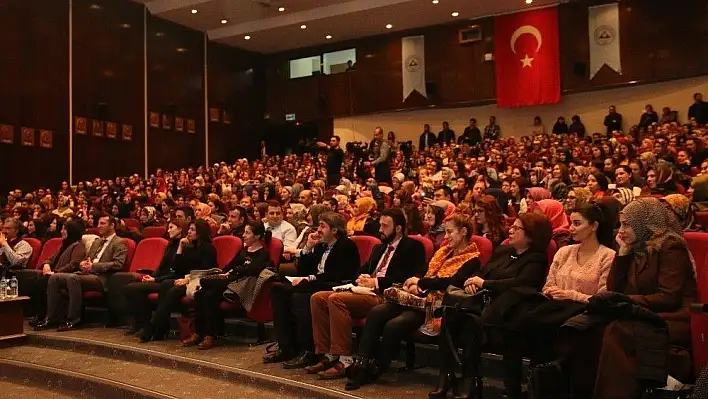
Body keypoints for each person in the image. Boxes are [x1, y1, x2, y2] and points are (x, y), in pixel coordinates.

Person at [544, 198, 697, 399]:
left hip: (672, 316)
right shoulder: (635, 246)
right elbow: (614, 287)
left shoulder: (670, 246)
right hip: (639, 310)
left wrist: (626, 302)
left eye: (626, 225)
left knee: (616, 330)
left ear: (645, 224)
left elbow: (669, 297)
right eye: (619, 225)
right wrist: (623, 254)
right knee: (584, 327)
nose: (620, 231)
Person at [490, 202, 616, 398]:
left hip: (583, 312)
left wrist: (570, 294)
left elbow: (602, 296)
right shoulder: (564, 251)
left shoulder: (607, 256)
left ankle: (546, 387)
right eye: (571, 223)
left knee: (542, 327)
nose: (571, 228)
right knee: (516, 324)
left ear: (594, 226)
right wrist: (554, 292)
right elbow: (548, 284)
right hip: (553, 307)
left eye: (577, 223)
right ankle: (518, 388)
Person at [346, 214, 482, 391]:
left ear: (463, 232)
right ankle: (362, 363)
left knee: (396, 324)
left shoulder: (472, 259)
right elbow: (424, 271)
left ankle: (377, 367)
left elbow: (453, 281)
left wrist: (421, 283)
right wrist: (415, 281)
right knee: (377, 312)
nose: (445, 236)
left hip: (434, 306)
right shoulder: (442, 251)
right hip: (417, 297)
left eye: (449, 232)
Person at [430, 213, 553, 399]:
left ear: (531, 234)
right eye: (512, 226)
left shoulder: (536, 259)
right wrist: (473, 282)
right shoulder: (504, 250)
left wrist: (485, 284)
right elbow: (482, 271)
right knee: (451, 314)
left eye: (516, 228)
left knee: (471, 323)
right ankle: (445, 375)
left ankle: (470, 381)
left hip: (507, 312)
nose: (510, 230)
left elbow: (521, 284)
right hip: (482, 303)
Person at [307, 209, 426, 380]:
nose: (380, 229)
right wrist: (362, 277)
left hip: (387, 295)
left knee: (336, 299)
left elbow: (408, 276)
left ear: (398, 228)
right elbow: (364, 269)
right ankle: (328, 354)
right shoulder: (379, 247)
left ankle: (345, 359)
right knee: (317, 298)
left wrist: (376, 282)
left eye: (385, 226)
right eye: (380, 225)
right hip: (365, 291)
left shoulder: (413, 247)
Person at [263, 212, 360, 368]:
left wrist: (309, 279)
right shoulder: (321, 246)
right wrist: (308, 248)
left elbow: (336, 275)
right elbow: (304, 270)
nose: (318, 230)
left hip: (335, 285)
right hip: (318, 282)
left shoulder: (345, 245)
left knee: (299, 297)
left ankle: (309, 351)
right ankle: (286, 346)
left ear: (334, 230)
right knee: (278, 290)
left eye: (323, 226)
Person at [183, 220, 273, 349]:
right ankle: (198, 332)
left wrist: (235, 271)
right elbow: (230, 266)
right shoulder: (243, 250)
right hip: (229, 280)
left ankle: (209, 335)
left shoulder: (263, 253)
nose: (243, 235)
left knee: (209, 294)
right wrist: (225, 272)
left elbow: (251, 270)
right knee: (201, 294)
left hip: (240, 286)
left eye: (247, 233)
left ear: (257, 236)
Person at [36, 215, 127, 331]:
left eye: (103, 223)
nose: (98, 226)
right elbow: (87, 259)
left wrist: (93, 266)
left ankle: (73, 319)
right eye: (98, 223)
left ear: (112, 225)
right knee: (55, 278)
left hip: (102, 278)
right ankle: (51, 318)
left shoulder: (119, 242)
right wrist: (83, 264)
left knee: (72, 278)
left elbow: (118, 264)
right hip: (87, 274)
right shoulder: (97, 242)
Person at [139, 220, 217, 342]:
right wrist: (180, 247)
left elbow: (208, 271)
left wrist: (186, 280)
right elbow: (176, 267)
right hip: (187, 279)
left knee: (174, 290)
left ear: (200, 232)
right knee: (166, 284)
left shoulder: (208, 248)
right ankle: (160, 328)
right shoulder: (191, 246)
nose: (189, 232)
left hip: (199, 282)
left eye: (192, 230)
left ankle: (152, 327)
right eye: (189, 229)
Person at [118, 220, 188, 335]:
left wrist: (155, 279)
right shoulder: (170, 245)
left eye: (171, 227)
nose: (168, 230)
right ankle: (142, 324)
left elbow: (177, 271)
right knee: (130, 287)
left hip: (172, 281)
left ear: (180, 229)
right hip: (162, 279)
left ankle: (148, 326)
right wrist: (152, 276)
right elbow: (162, 267)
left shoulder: (184, 246)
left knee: (133, 288)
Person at [23, 220, 85, 324]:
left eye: (64, 229)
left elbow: (74, 264)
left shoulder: (78, 246)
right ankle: (39, 315)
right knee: (32, 281)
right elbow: (50, 259)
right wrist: (47, 264)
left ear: (72, 231)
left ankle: (45, 316)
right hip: (54, 274)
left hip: (64, 276)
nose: (61, 231)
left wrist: (56, 272)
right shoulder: (63, 245)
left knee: (39, 283)